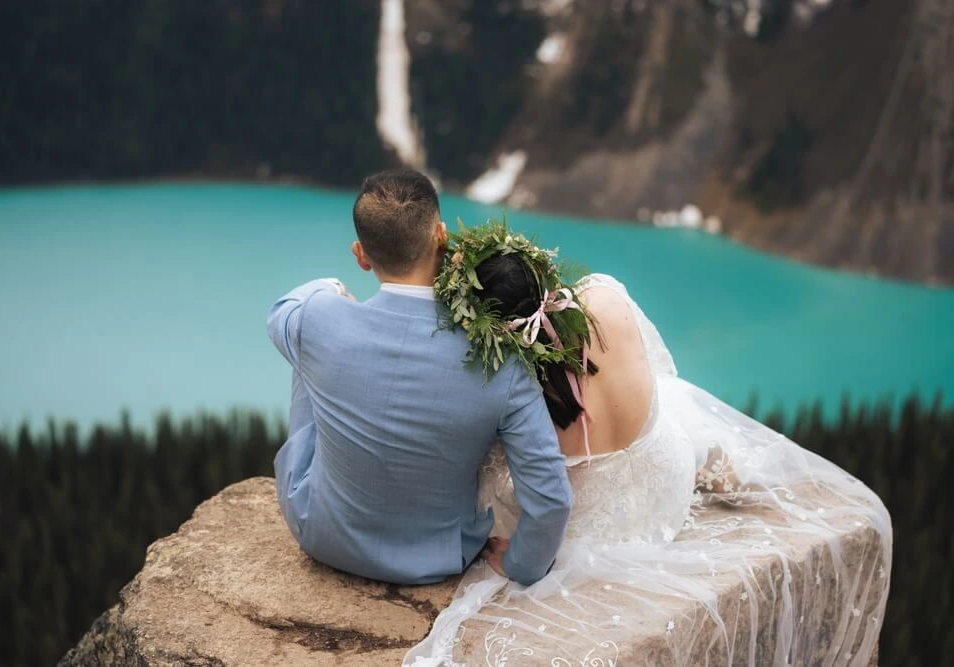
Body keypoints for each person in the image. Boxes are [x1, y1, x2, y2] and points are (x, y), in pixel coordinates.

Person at [404, 221, 892, 665]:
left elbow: (499, 482)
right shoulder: (605, 296)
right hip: (668, 482)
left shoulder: (515, 395)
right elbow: (662, 373)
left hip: (599, 535)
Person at [266, 170, 572, 586]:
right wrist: (522, 565)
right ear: (441, 235)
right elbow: (551, 500)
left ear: (361, 255)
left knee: (310, 351)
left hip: (321, 537)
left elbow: (283, 309)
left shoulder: (320, 320)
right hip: (440, 559)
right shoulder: (500, 364)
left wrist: (336, 289)